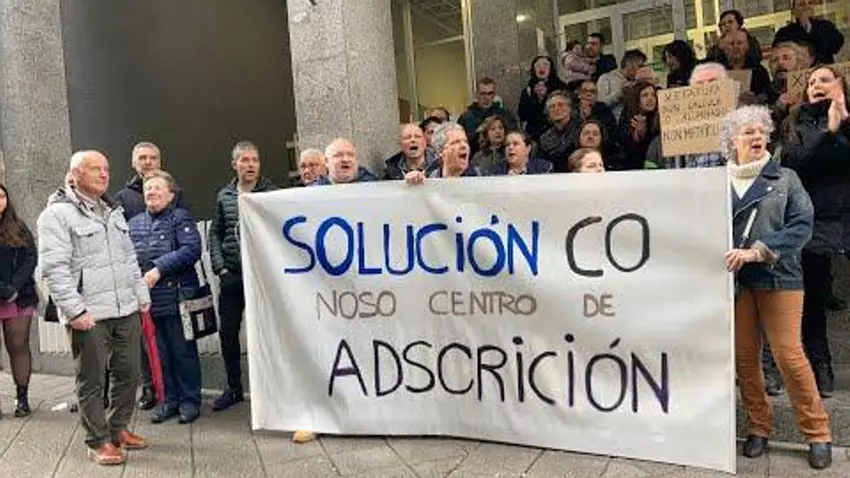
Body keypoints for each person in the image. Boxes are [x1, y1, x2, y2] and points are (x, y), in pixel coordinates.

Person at [722, 105, 832, 470]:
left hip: (778, 275)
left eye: (761, 131)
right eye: (748, 131)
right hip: (735, 282)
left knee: (788, 355)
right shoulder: (715, 182)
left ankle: (817, 432)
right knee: (745, 358)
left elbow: (801, 226)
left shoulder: (786, 178)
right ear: (732, 140)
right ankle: (758, 427)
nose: (757, 136)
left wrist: (758, 251)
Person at [38, 150, 151, 466]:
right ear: (74, 175)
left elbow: (129, 258)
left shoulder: (113, 211)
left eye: (106, 168)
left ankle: (118, 428)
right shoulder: (56, 215)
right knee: (92, 379)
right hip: (88, 314)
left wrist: (141, 294)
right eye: (95, 169)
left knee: (129, 372)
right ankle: (98, 440)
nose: (104, 174)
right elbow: (54, 269)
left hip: (125, 308)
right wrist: (75, 311)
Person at [781, 66, 850, 398]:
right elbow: (796, 165)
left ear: (841, 86)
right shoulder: (796, 124)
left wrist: (843, 124)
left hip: (846, 216)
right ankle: (821, 364)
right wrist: (829, 132)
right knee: (814, 302)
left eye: (825, 80)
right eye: (811, 82)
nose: (817, 85)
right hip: (817, 224)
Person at [114, 141, 188, 411]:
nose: (147, 162)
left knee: (177, 345)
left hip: (169, 280)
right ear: (134, 162)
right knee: (146, 342)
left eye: (152, 157)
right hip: (140, 280)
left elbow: (184, 233)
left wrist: (161, 265)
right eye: (142, 158)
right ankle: (150, 387)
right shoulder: (123, 197)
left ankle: (180, 394)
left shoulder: (175, 191)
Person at [128, 171, 203, 425]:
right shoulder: (134, 223)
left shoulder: (180, 217)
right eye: (148, 188)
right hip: (148, 300)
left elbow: (191, 249)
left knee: (182, 351)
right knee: (158, 354)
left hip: (178, 296)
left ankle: (190, 400)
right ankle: (168, 400)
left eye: (157, 187)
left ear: (171, 195)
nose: (151, 192)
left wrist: (159, 268)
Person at [210, 141, 278, 412]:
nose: (251, 165)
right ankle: (234, 387)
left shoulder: (271, 192)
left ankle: (271, 388)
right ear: (234, 164)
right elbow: (215, 233)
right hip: (233, 276)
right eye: (245, 160)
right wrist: (220, 268)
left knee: (267, 333)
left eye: (255, 160)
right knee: (228, 333)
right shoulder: (224, 195)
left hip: (262, 278)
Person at [645, 63, 729, 169]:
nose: (706, 87)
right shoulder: (678, 130)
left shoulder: (739, 123)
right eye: (700, 83)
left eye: (713, 81)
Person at [0, 183, 37, 418]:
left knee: (18, 344)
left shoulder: (18, 227)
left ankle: (22, 397)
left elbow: (30, 257)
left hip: (17, 295)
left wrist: (13, 286)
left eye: (2, 196)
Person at [458, 78, 519, 154]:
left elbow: (515, 137)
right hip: (475, 157)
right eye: (483, 94)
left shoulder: (505, 115)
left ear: (494, 95)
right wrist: (479, 131)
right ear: (476, 94)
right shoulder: (466, 117)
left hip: (502, 156)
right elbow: (460, 143)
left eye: (490, 93)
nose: (487, 98)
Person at [773, 0, 844, 65]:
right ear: (794, 11)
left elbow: (836, 45)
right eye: (802, 4)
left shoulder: (825, 26)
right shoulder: (784, 32)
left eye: (810, 3)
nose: (807, 7)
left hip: (824, 69)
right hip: (798, 72)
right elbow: (777, 53)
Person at [405, 122, 475, 185]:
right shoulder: (428, 178)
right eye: (456, 142)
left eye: (465, 141)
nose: (464, 146)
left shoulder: (477, 178)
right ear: (440, 151)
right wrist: (413, 183)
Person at [518, 55, 568, 141]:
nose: (542, 67)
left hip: (556, 133)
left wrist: (545, 97)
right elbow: (522, 114)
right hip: (534, 135)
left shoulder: (561, 87)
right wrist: (537, 99)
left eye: (545, 64)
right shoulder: (528, 89)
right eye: (538, 65)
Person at [618, 81, 660, 170]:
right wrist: (639, 134)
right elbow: (629, 149)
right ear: (637, 99)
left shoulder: (660, 118)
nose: (650, 99)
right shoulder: (628, 116)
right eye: (645, 95)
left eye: (653, 95)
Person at [720, 30, 772, 102]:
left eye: (739, 43)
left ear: (746, 46)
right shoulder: (717, 72)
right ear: (724, 48)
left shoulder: (759, 71)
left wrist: (756, 99)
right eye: (731, 44)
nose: (736, 47)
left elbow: (767, 96)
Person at [597, 49, 647, 120]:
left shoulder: (637, 81)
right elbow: (599, 105)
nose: (641, 70)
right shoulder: (606, 78)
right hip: (613, 122)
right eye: (640, 66)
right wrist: (620, 93)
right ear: (629, 63)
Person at [538, 91, 581, 172]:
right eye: (552, 107)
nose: (556, 109)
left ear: (570, 108)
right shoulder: (545, 138)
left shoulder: (581, 129)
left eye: (561, 105)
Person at [487, 131, 552, 176]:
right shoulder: (494, 172)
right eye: (507, 145)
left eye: (515, 144)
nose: (510, 147)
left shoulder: (544, 169)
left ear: (527, 148)